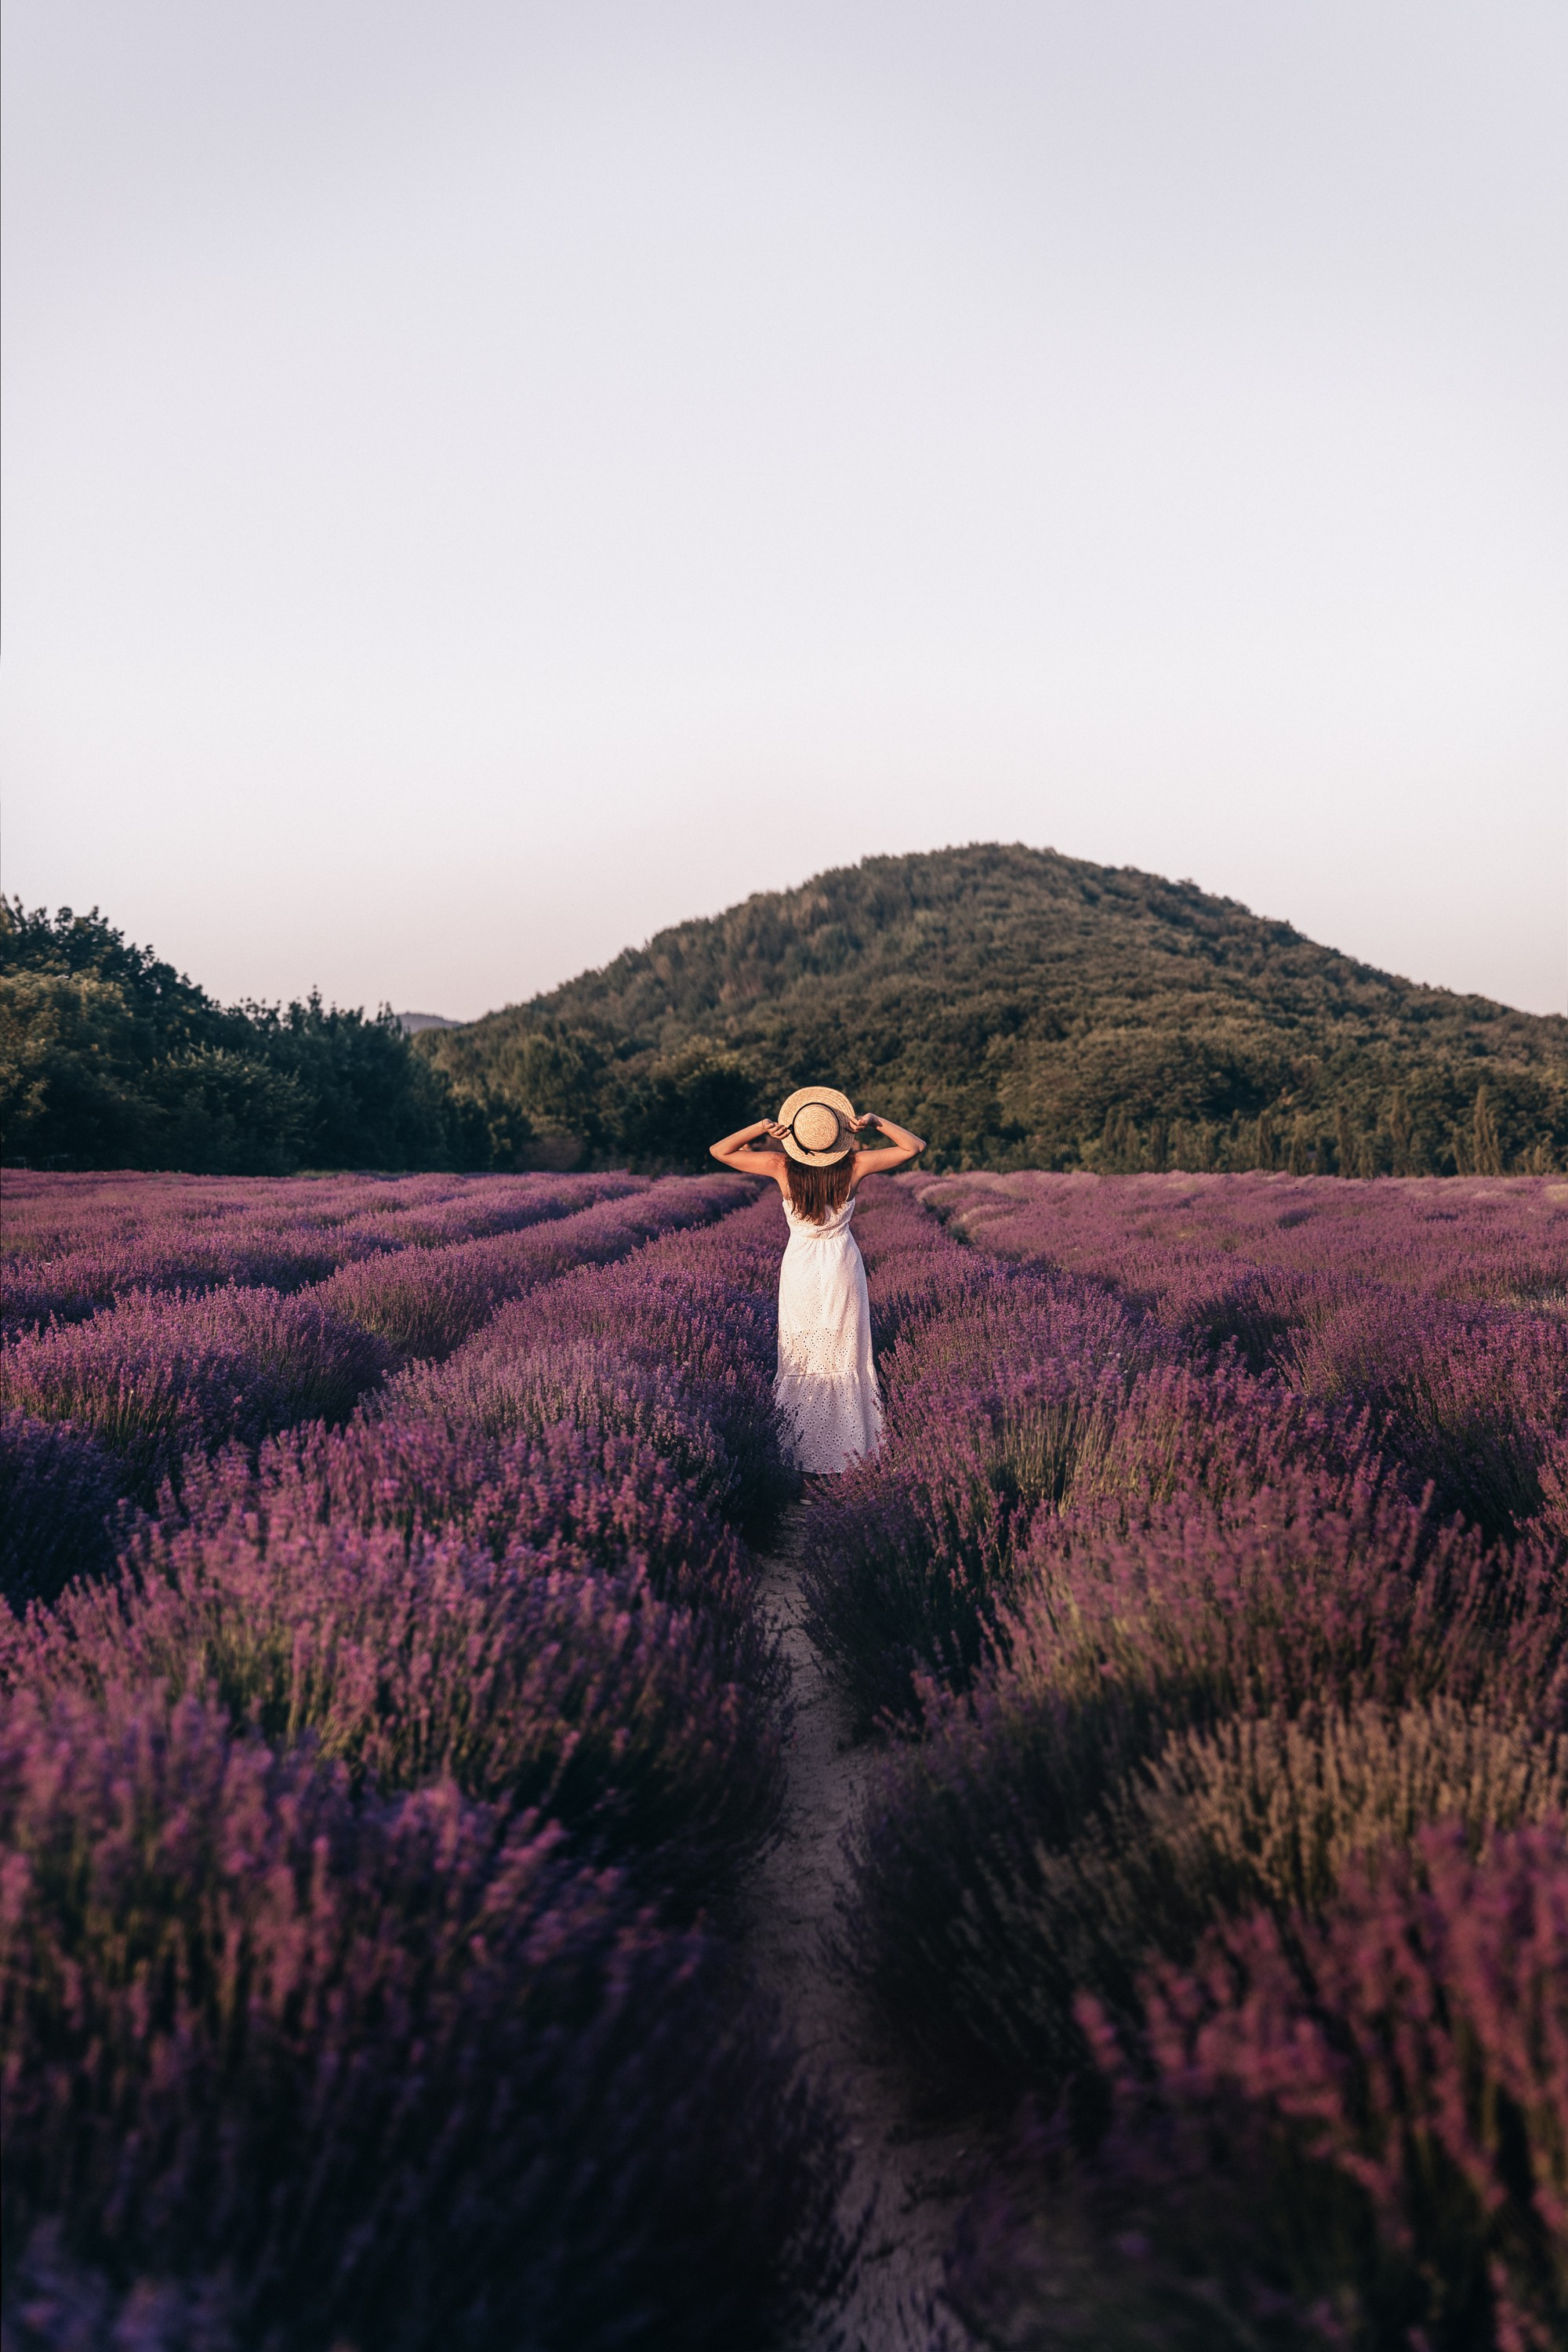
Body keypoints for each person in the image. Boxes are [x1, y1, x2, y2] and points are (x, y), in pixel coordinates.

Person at [710, 1088, 925, 1475]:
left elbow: (719, 1151)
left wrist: (761, 1127)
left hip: (800, 1269)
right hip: (842, 1264)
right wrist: (876, 1122)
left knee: (802, 1355)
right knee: (846, 1355)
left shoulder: (780, 1165)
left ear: (795, 1136)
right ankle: (852, 1458)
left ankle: (800, 1461)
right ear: (839, 1135)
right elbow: (914, 1147)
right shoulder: (855, 1165)